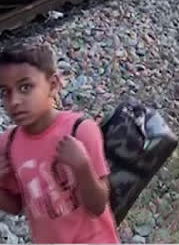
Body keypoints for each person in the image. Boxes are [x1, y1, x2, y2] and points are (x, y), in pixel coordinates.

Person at [0, 44, 119, 244]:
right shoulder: (8, 143)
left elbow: (98, 206)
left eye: (25, 87)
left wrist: (82, 167)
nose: (15, 101)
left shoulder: (80, 130)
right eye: (5, 92)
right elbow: (17, 206)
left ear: (53, 85)